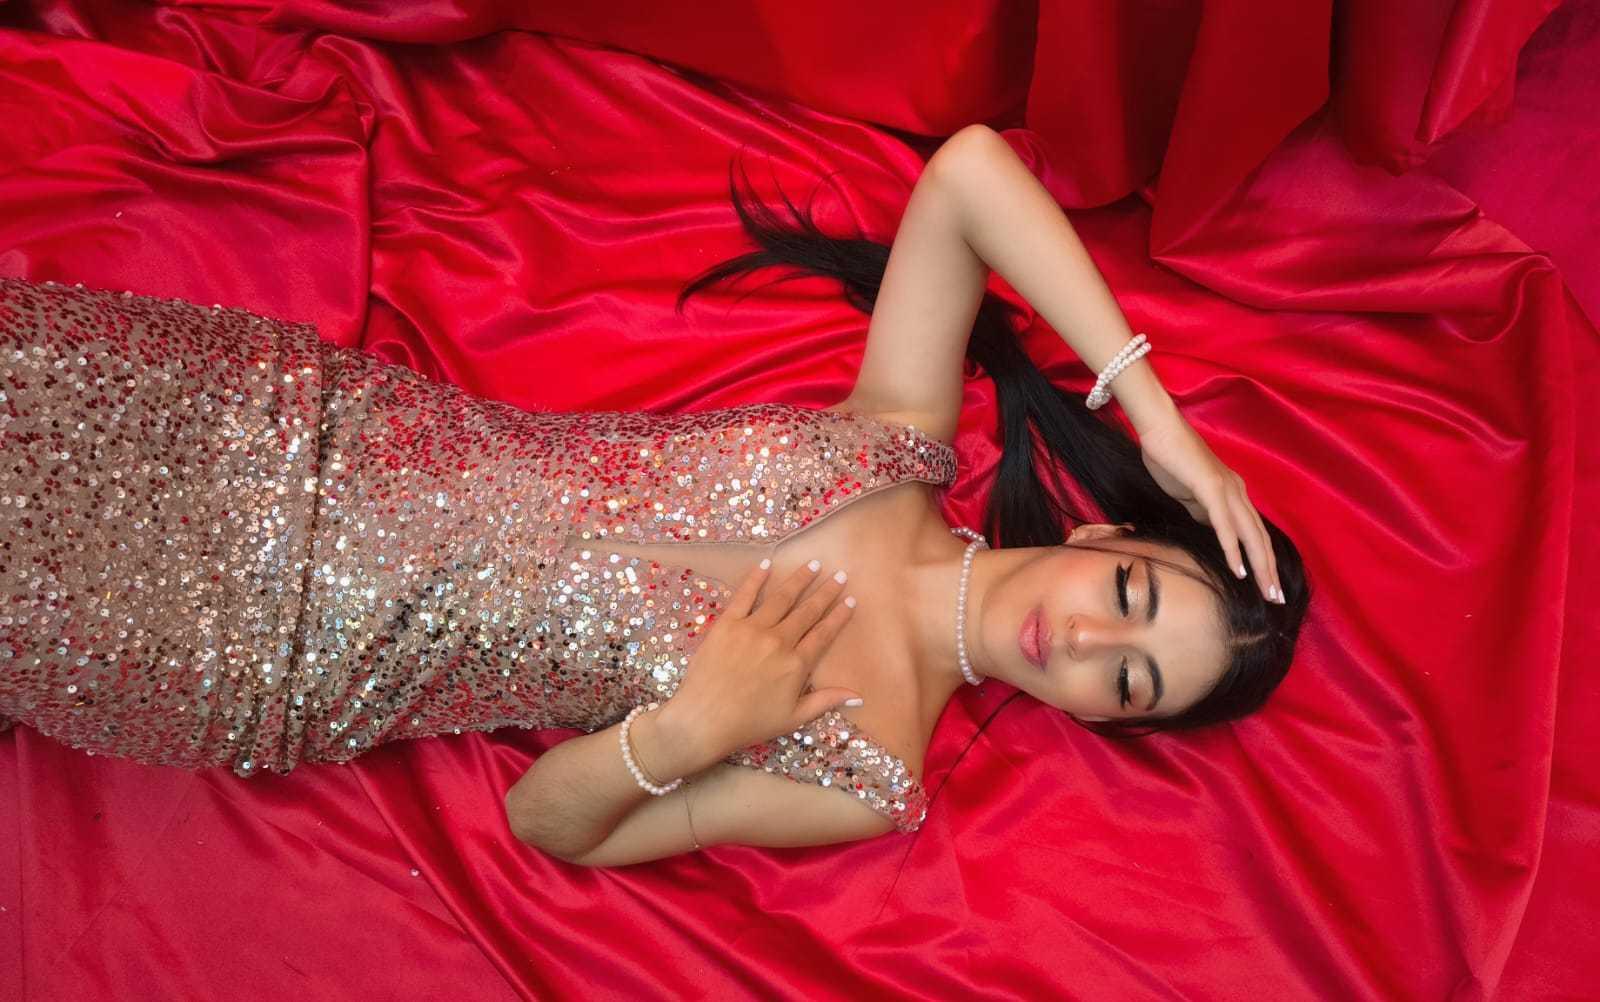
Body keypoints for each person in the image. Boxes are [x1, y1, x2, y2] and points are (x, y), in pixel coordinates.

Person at [0, 124, 1307, 867]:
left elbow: (549, 828)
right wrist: (1156, 415)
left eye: (1128, 678)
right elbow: (967, 170)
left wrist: (686, 733)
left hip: (261, 655)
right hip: (296, 427)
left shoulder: (868, 777)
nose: (1083, 637)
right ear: (1104, 531)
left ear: (1102, 719)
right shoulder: (901, 439)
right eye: (1129, 592)